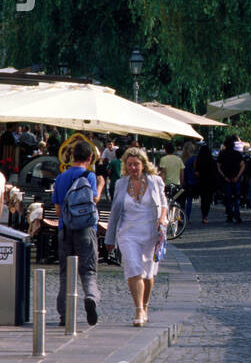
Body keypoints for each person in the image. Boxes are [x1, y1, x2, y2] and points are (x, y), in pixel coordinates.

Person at [104, 147, 168, 326]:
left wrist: (163, 218)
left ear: (143, 164)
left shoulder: (155, 181)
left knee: (148, 274)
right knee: (133, 268)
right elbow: (115, 212)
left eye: (136, 164)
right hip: (127, 233)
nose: (133, 168)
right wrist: (109, 238)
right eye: (129, 164)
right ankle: (138, 309)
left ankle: (145, 306)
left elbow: (164, 204)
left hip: (150, 233)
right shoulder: (121, 183)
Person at [51, 138, 101, 326]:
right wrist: (102, 185)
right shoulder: (89, 176)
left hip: (65, 228)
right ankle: (90, 297)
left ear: (71, 156)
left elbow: (57, 210)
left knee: (65, 273)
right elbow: (93, 201)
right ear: (90, 157)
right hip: (86, 229)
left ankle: (64, 314)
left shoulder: (60, 177)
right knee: (88, 270)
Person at [217, 135, 245, 222]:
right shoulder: (237, 154)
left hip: (227, 179)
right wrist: (238, 176)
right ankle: (237, 215)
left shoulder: (222, 154)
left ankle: (229, 215)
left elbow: (218, 167)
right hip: (236, 178)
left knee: (228, 197)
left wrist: (224, 176)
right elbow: (243, 166)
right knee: (236, 197)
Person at [194, 142, 217, 223]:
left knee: (203, 200)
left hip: (201, 182)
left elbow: (196, 172)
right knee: (208, 200)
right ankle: (205, 215)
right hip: (210, 183)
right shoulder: (212, 161)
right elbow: (215, 173)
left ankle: (203, 214)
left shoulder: (198, 161)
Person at [180, 141, 198, 223]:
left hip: (182, 181)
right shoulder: (194, 158)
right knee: (189, 200)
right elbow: (195, 170)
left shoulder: (181, 158)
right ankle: (187, 217)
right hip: (191, 181)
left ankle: (180, 217)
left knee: (182, 201)